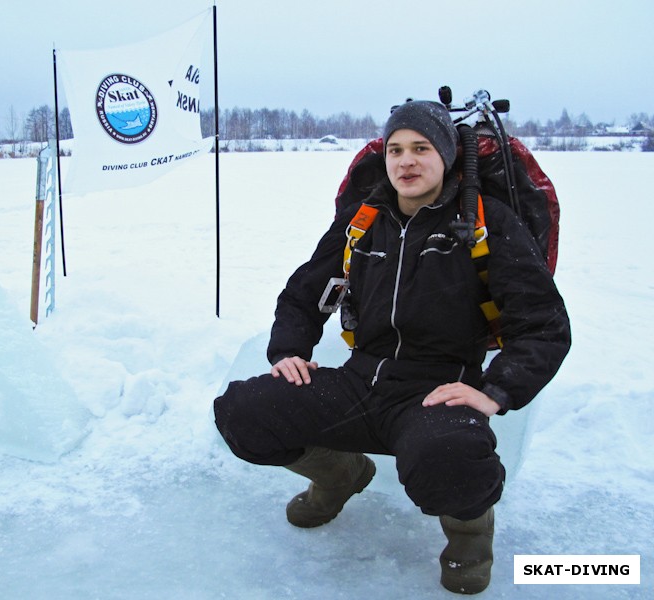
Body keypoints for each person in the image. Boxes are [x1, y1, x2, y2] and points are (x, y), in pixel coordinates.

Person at [213, 100, 571, 594]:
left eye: (421, 148)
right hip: (361, 381)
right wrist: (288, 350)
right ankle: (341, 476)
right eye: (397, 149)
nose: (407, 161)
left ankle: (469, 538)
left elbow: (543, 324)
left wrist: (495, 390)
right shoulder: (361, 223)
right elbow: (303, 294)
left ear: (445, 156)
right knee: (244, 411)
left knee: (451, 459)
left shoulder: (488, 224)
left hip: (437, 391)